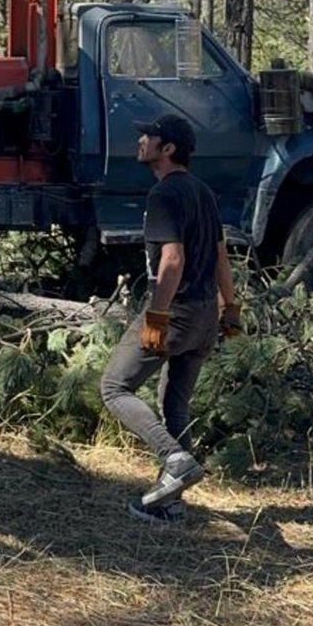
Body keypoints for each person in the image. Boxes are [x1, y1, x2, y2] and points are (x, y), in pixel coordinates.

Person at [99, 112, 242, 524]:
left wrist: (157, 315)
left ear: (168, 149)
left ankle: (174, 458)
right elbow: (220, 257)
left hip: (175, 312)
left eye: (150, 136)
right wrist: (230, 309)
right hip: (204, 316)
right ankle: (170, 503)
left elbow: (173, 259)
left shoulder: (164, 195)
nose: (141, 140)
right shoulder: (203, 193)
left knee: (113, 387)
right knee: (174, 404)